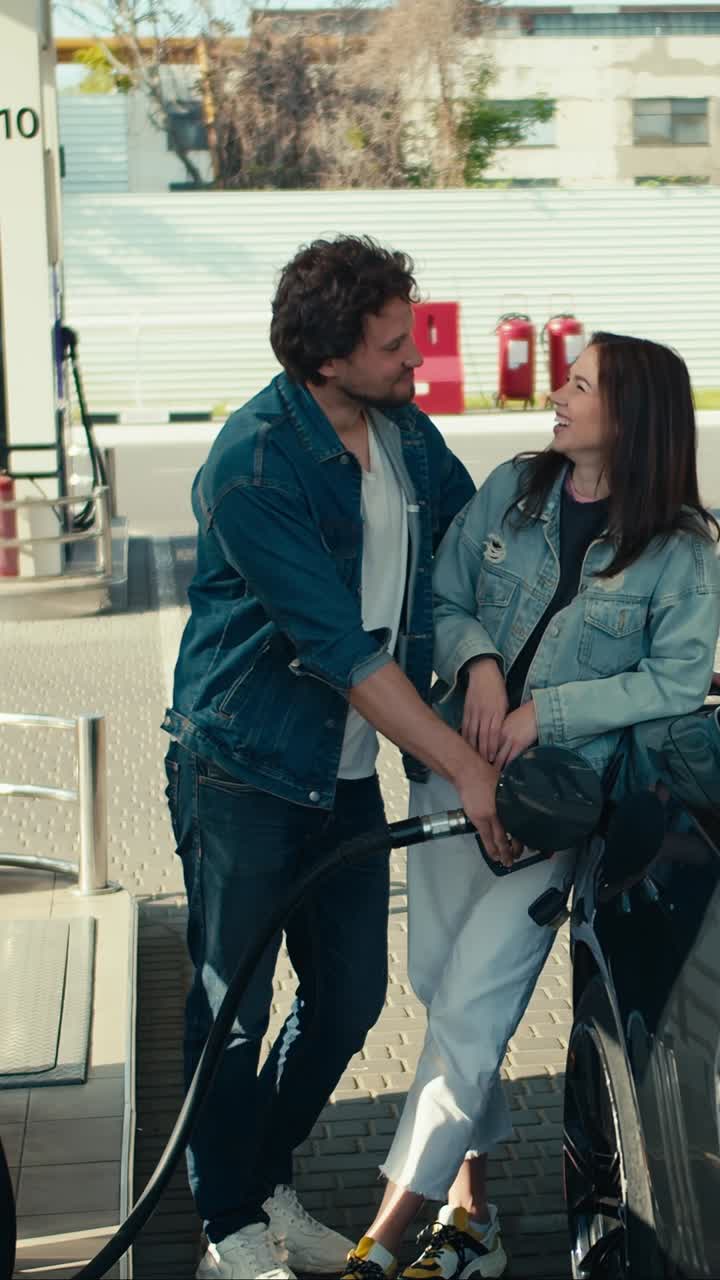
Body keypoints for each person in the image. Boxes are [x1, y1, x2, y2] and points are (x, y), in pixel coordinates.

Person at [161, 235, 514, 1280]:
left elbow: (475, 547)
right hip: (248, 764)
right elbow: (345, 654)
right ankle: (226, 1224)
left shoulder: (403, 432)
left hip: (350, 770)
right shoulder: (253, 462)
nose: (419, 358)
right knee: (233, 1004)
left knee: (352, 997)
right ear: (326, 359)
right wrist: (468, 762)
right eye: (396, 344)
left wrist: (490, 655)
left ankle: (261, 1176)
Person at [341, 332, 720, 1280]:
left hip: (545, 815)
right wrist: (472, 661)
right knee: (438, 989)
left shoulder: (681, 550)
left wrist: (550, 711)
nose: (558, 393)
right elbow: (446, 587)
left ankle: (382, 1246)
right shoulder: (518, 486)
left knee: (472, 1010)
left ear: (629, 420)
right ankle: (472, 1220)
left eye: (581, 385)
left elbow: (677, 680)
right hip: (446, 773)